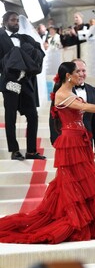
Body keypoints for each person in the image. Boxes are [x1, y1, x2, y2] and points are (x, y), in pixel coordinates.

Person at [0, 61, 95, 244]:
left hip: (80, 140)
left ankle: (85, 221)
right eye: (76, 72)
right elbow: (86, 108)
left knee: (80, 182)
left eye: (82, 72)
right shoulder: (62, 94)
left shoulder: (69, 92)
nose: (80, 75)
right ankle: (74, 220)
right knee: (70, 182)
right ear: (68, 76)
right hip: (70, 141)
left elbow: (86, 111)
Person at [0, 11, 46, 160]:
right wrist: (9, 65)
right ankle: (14, 151)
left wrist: (27, 56)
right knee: (11, 115)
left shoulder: (25, 38)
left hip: (26, 81)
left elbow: (40, 52)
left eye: (18, 21)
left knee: (33, 115)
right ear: (5, 22)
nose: (16, 23)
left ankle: (31, 151)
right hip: (10, 81)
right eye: (13, 21)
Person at [49, 59, 95, 156]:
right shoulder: (63, 90)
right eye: (78, 71)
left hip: (87, 138)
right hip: (69, 140)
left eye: (84, 70)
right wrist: (55, 139)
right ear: (70, 74)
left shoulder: (92, 89)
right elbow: (54, 114)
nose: (81, 74)